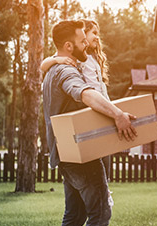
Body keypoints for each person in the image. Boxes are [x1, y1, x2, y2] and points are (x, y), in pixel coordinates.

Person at [42, 20, 135, 226]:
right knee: (100, 212)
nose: (87, 44)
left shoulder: (52, 71)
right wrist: (118, 114)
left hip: (65, 154)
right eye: (82, 41)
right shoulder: (65, 72)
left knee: (75, 214)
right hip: (81, 156)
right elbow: (85, 93)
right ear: (69, 45)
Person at [41, 19, 113, 181]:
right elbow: (86, 94)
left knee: (101, 176)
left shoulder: (91, 59)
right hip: (91, 116)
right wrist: (56, 60)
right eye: (92, 33)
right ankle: (104, 196)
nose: (96, 38)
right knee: (96, 189)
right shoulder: (70, 64)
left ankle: (105, 191)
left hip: (101, 110)